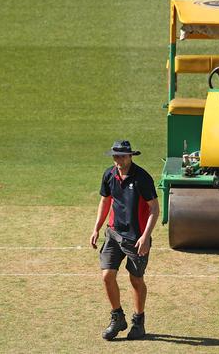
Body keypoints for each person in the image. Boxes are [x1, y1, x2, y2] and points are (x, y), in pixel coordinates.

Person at [90, 140, 159, 340]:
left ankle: (139, 322)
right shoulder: (109, 175)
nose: (118, 160)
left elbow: (154, 209)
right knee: (107, 276)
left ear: (130, 156)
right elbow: (105, 201)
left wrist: (145, 237)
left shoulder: (142, 178)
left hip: (136, 238)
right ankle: (117, 317)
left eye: (122, 156)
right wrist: (96, 228)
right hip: (113, 234)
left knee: (136, 279)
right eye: (115, 156)